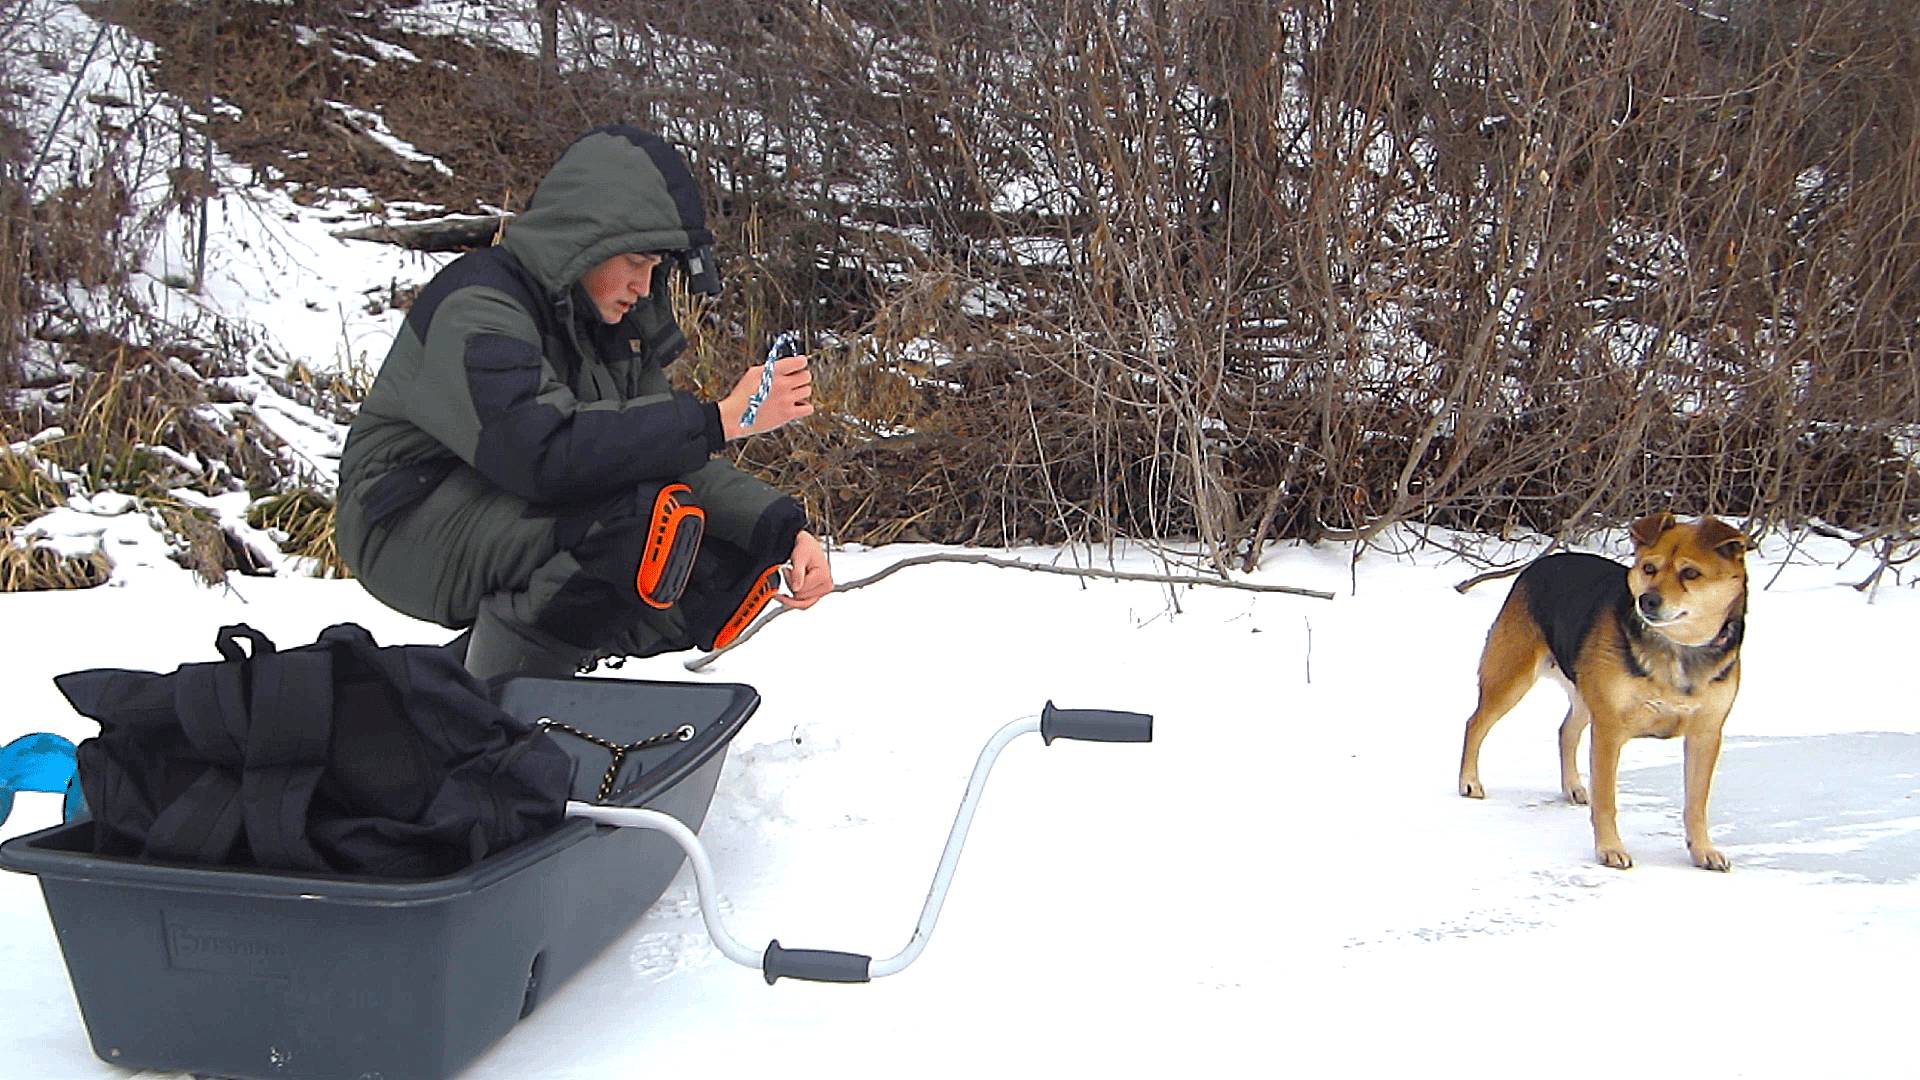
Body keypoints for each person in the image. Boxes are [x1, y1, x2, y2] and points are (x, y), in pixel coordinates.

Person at [335, 124, 832, 682]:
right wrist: (718, 419)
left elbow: (667, 458)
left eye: (655, 269)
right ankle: (494, 713)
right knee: (637, 526)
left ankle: (527, 681)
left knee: (723, 558)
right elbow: (539, 453)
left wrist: (784, 531)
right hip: (401, 518)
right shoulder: (479, 304)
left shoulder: (607, 329)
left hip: (495, 504)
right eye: (638, 263)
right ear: (585, 242)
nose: (645, 287)